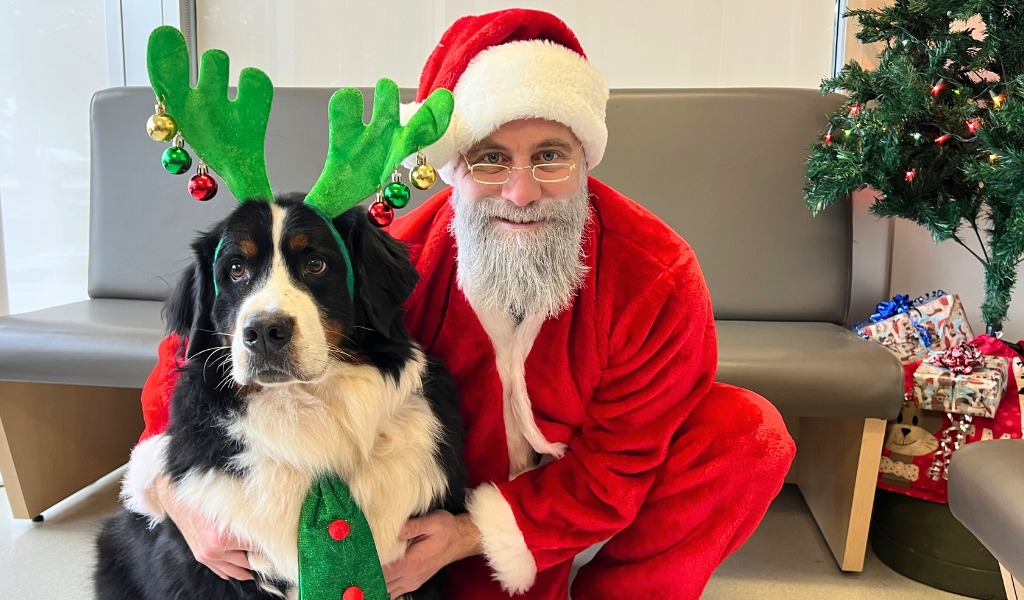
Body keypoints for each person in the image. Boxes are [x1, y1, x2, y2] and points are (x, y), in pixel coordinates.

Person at [125, 9, 795, 600]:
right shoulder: (405, 252)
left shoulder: (657, 276)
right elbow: (194, 344)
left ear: (587, 158)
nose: (523, 192)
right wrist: (178, 495)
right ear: (455, 170)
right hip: (452, 499)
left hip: (550, 494)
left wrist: (475, 535)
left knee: (747, 434)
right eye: (492, 159)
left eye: (551, 156)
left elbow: (619, 465)